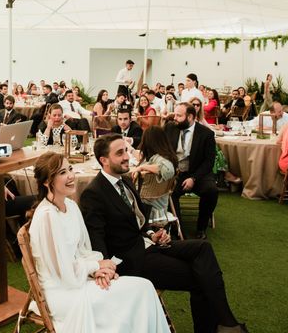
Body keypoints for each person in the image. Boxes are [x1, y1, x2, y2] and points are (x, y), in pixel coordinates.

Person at [80, 134, 247, 333]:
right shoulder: (94, 193)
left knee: (203, 247)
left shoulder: (125, 181)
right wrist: (104, 267)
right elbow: (95, 237)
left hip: (148, 245)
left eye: (125, 150)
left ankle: (227, 323)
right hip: (130, 261)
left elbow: (138, 223)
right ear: (103, 160)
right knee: (200, 278)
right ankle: (226, 326)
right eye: (119, 153)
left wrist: (152, 234)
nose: (127, 156)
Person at [28, 151, 170, 333]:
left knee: (144, 287)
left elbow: (84, 249)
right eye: (62, 173)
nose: (71, 176)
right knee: (138, 293)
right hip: (62, 291)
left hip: (80, 278)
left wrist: (100, 270)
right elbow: (62, 272)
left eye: (70, 169)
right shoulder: (47, 217)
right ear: (47, 182)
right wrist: (95, 266)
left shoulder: (70, 206)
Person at [165, 103, 218, 240]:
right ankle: (179, 230)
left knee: (211, 191)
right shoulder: (170, 128)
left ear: (190, 117)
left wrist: (194, 178)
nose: (174, 118)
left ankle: (201, 228)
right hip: (176, 173)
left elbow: (209, 162)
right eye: (175, 114)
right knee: (168, 193)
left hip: (199, 173)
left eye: (179, 115)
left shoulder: (206, 134)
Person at [135, 126, 177, 225]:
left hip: (150, 209)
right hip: (159, 205)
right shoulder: (161, 156)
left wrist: (142, 167)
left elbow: (168, 170)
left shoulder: (160, 158)